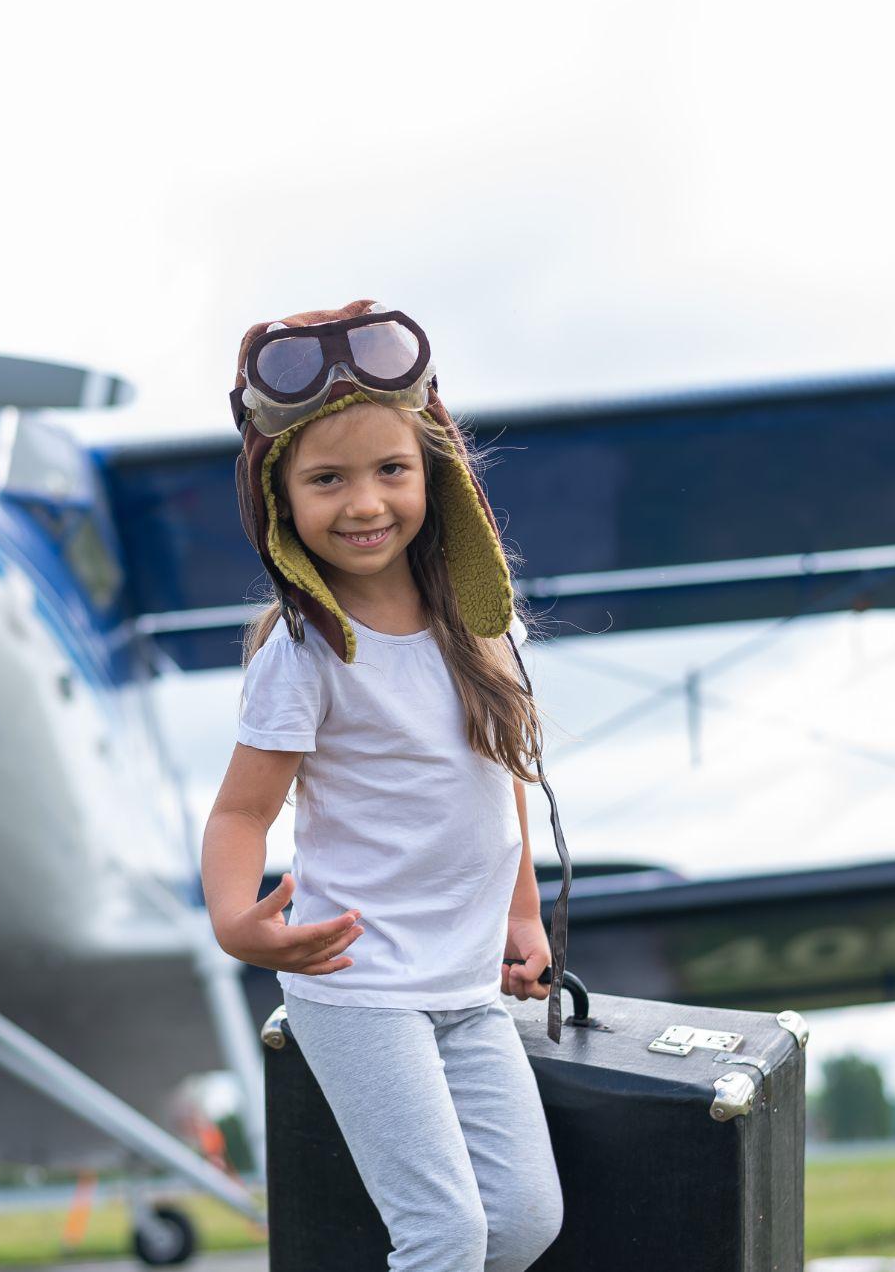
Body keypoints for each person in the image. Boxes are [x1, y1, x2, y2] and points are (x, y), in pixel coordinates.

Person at [200, 299, 572, 1271]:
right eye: (327, 480)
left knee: (523, 1222)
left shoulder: (481, 627)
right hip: (359, 988)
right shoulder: (304, 653)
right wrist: (234, 921)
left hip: (461, 981)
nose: (364, 503)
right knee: (441, 1232)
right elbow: (243, 811)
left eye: (389, 471)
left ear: (433, 476)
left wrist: (521, 916)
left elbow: (501, 781)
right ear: (282, 504)